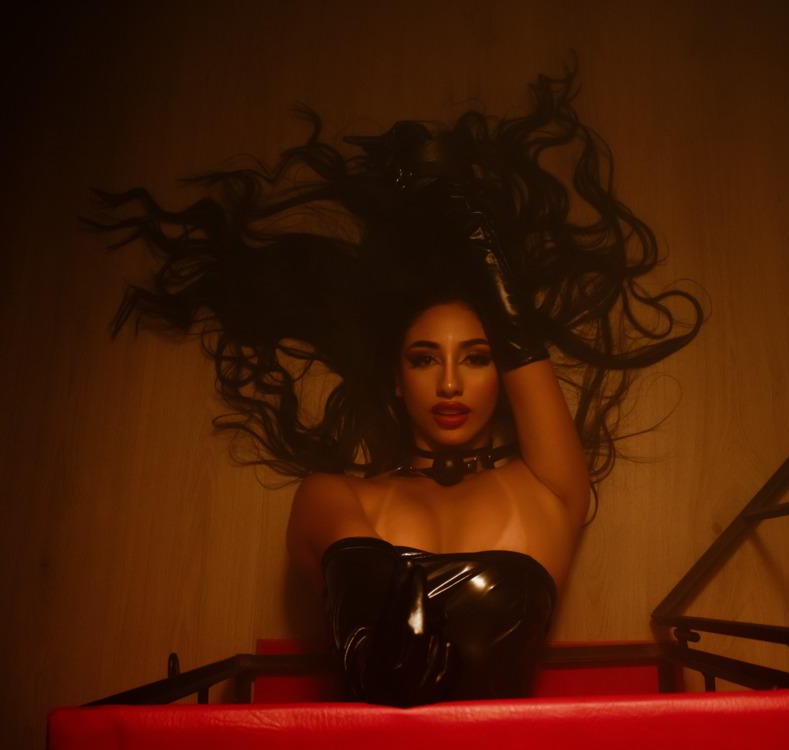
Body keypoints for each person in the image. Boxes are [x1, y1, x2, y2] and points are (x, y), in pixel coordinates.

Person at [92, 65, 702, 706]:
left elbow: (521, 337)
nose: (449, 382)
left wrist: (468, 218)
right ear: (395, 380)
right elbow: (388, 669)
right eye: (423, 359)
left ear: (504, 378)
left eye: (476, 359)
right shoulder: (329, 497)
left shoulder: (547, 489)